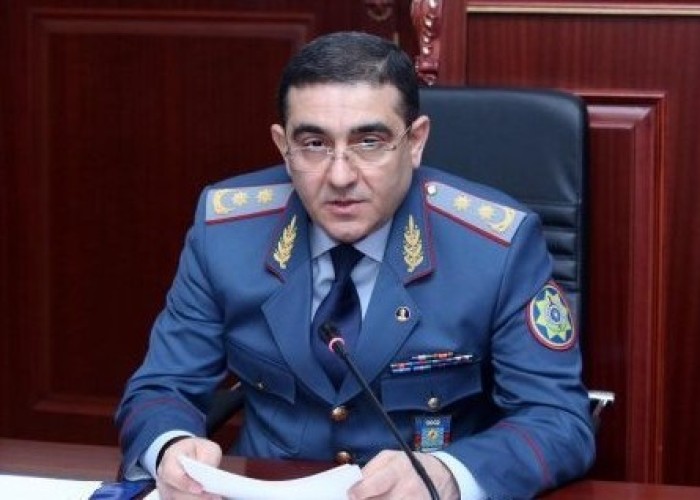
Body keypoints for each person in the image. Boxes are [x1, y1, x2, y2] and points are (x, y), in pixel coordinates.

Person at [116, 31, 595, 499]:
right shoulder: (226, 232)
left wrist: (448, 474)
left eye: (369, 142)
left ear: (415, 141)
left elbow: (558, 421)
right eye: (314, 144)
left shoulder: (497, 248)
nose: (341, 176)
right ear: (283, 146)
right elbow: (162, 386)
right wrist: (170, 448)